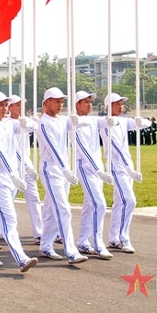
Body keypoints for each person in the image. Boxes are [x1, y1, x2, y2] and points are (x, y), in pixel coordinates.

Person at [0, 91, 38, 272]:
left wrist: (28, 123)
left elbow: (32, 128)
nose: (4, 108)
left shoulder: (9, 124)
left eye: (6, 105)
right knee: (8, 218)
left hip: (12, 177)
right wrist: (13, 175)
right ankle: (21, 258)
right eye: (0, 105)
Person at [36, 87, 88, 265]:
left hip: (63, 170)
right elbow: (54, 149)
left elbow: (80, 123)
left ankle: (45, 246)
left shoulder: (62, 120)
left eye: (62, 101)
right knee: (63, 209)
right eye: (56, 101)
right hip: (51, 170)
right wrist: (66, 169)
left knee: (51, 210)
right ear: (46, 103)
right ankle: (71, 251)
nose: (60, 104)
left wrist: (79, 120)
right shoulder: (43, 123)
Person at [100, 93, 148, 254]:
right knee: (129, 200)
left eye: (122, 104)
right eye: (117, 104)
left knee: (120, 203)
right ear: (108, 107)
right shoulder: (106, 124)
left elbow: (145, 124)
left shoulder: (123, 121)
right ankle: (123, 238)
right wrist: (129, 169)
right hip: (117, 166)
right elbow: (116, 148)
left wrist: (141, 122)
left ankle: (114, 238)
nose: (121, 107)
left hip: (127, 165)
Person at [73, 91, 114, 260]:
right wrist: (98, 171)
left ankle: (83, 241)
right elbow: (83, 150)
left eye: (90, 102)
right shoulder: (73, 122)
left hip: (98, 169)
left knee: (90, 205)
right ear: (77, 104)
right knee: (100, 204)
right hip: (85, 167)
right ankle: (98, 244)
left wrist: (113, 120)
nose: (89, 105)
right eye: (85, 102)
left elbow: (108, 121)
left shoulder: (94, 120)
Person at [6, 95, 43, 244]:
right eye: (17, 105)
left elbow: (35, 126)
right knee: (7, 201)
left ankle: (39, 233)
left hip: (27, 167)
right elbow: (13, 149)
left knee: (34, 199)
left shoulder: (25, 121)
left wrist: (30, 122)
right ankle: (2, 231)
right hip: (13, 168)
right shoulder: (7, 124)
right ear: (9, 107)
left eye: (22, 104)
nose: (20, 107)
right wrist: (26, 166)